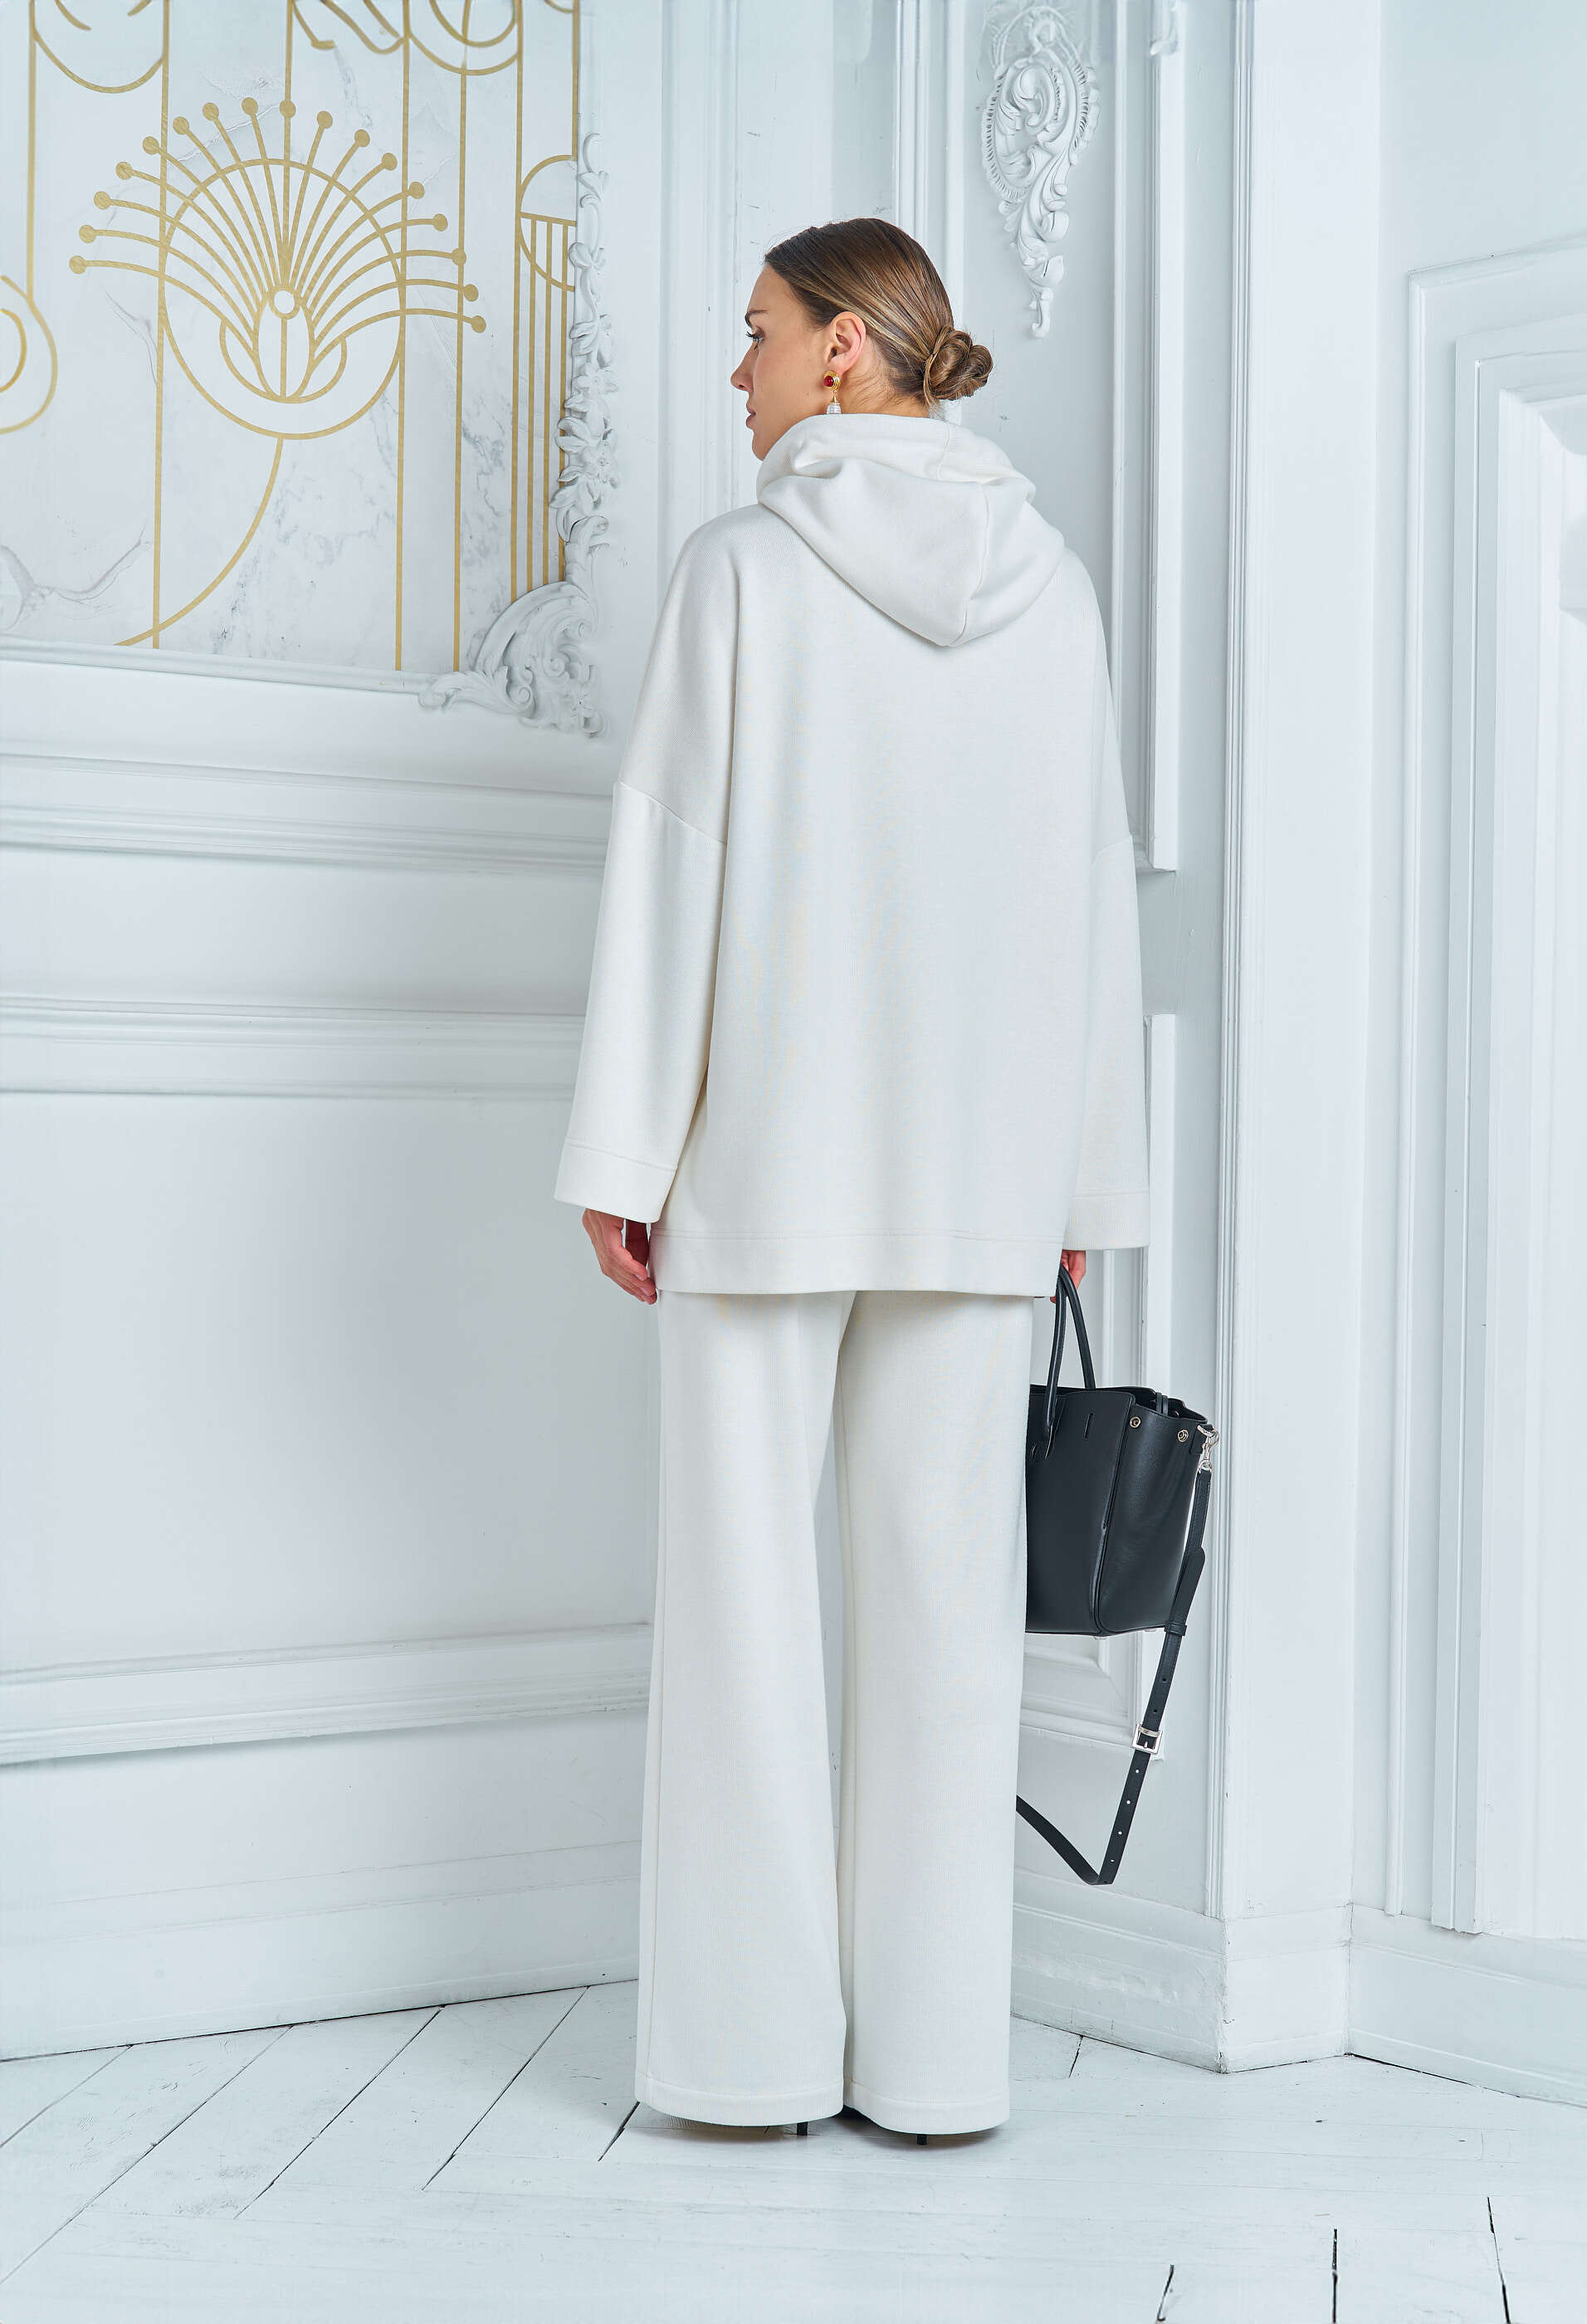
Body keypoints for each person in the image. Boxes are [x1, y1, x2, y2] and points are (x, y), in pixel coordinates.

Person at [553, 217, 1149, 2141]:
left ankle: (743, 2062)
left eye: (754, 333)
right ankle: (936, 2064)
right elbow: (1088, 894)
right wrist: (1075, 1175)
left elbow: (671, 865)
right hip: (977, 1176)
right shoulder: (1055, 591)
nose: (732, 371)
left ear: (838, 352)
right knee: (945, 1622)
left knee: (741, 1611)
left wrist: (625, 1153)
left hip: (767, 1163)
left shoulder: (740, 573)